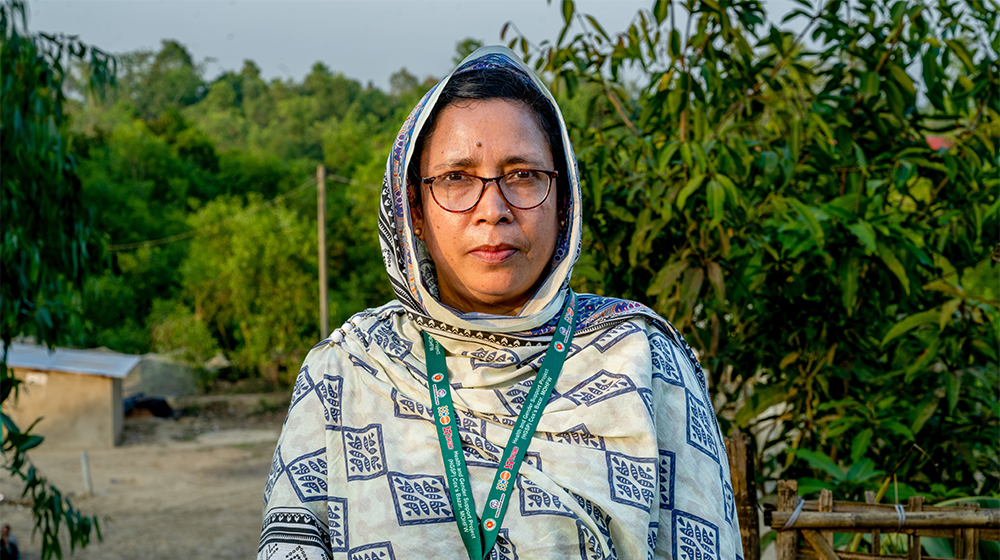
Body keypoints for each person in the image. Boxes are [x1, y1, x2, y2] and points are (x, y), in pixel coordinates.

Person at [258, 46, 742, 560]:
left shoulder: (641, 361)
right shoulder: (345, 373)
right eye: (456, 178)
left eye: (522, 175)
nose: (493, 210)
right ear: (414, 210)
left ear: (564, 202)